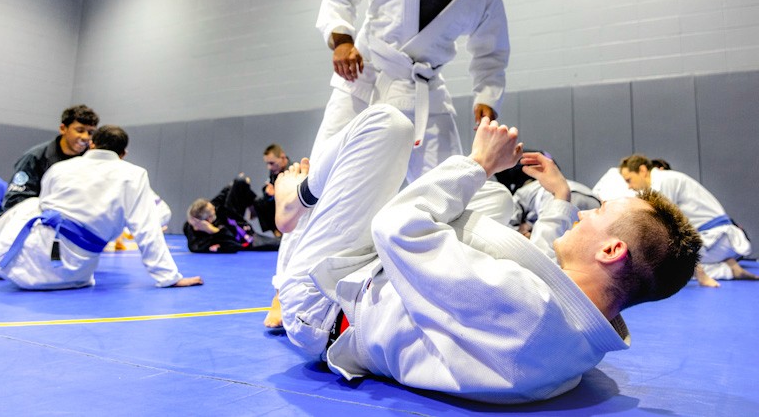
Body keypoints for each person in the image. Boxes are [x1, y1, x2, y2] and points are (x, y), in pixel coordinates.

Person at [273, 104, 701, 404]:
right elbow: (541, 272)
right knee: (494, 200)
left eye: (600, 212)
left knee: (387, 126)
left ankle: (295, 197)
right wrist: (560, 199)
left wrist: (477, 163)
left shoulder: (527, 313)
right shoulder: (575, 334)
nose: (587, 216)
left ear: (611, 250)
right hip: (370, 284)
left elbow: (395, 228)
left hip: (322, 303)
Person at [267, 0, 510, 328]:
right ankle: (286, 288)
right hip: (364, 76)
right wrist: (341, 40)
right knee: (321, 177)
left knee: (454, 186)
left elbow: (491, 54)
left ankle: (449, 282)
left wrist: (485, 100)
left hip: (424, 88)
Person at [0, 125, 202, 290]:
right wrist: (170, 278)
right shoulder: (134, 174)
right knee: (38, 231)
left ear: (92, 144)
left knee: (30, 210)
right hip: (72, 274)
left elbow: (44, 205)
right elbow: (147, 229)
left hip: (24, 260)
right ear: (124, 153)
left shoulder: (61, 168)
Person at [619, 154, 757, 288]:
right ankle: (729, 265)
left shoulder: (663, 182)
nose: (629, 186)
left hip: (717, 240)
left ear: (642, 170)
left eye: (629, 180)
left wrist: (699, 272)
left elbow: (671, 230)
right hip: (719, 242)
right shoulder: (667, 178)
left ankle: (727, 271)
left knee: (664, 268)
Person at [1, 104, 99, 212]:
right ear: (63, 129)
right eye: (80, 130)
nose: (85, 137)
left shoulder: (91, 162)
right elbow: (14, 200)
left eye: (90, 133)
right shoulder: (34, 158)